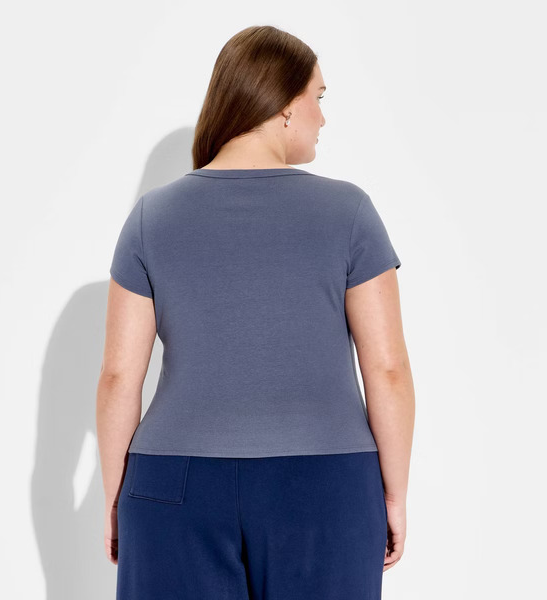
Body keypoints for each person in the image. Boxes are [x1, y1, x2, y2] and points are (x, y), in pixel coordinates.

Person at [96, 24, 415, 600]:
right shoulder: (349, 212)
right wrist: (393, 494)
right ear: (286, 105)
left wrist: (114, 497)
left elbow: (120, 376)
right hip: (326, 485)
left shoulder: (151, 217)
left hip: (172, 486)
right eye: (319, 97)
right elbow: (387, 371)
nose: (323, 116)